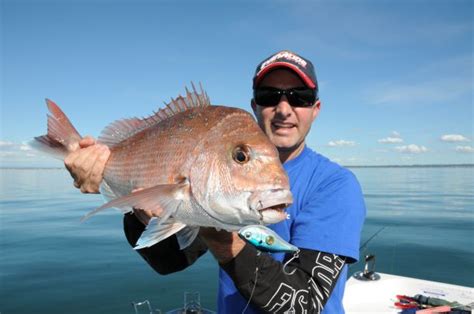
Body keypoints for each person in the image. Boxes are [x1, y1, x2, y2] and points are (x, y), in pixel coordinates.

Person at [64, 50, 366, 313]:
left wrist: (222, 240)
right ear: (255, 106)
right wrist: (137, 211)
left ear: (316, 109)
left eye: (300, 97)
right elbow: (169, 262)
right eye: (269, 96)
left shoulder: (336, 186)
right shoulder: (213, 190)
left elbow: (305, 304)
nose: (284, 109)